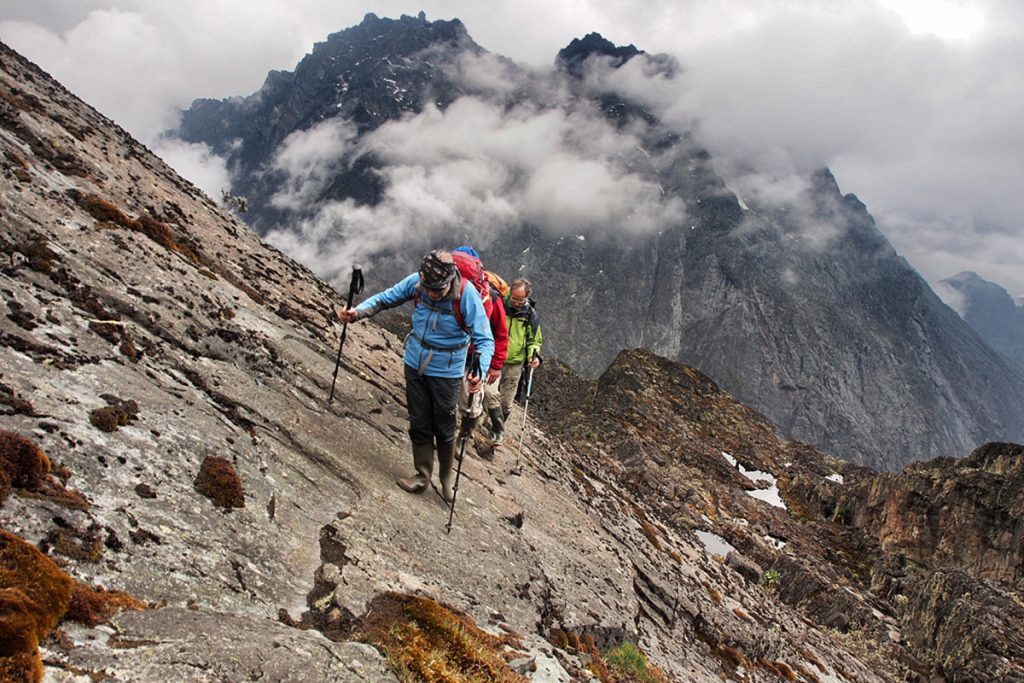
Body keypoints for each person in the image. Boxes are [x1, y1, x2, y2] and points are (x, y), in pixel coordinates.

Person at [336, 250, 494, 502]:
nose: (431, 293)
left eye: (437, 289)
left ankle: (445, 480)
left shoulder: (466, 295)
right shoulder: (417, 282)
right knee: (419, 421)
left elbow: (485, 340)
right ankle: (422, 476)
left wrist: (479, 373)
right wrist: (357, 312)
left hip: (447, 371)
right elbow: (386, 298)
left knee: (444, 425)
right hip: (415, 363)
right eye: (428, 288)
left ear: (449, 279)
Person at [451, 246, 508, 453]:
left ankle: (464, 436)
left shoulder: (490, 297)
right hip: (456, 350)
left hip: (474, 355)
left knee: (471, 398)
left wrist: (494, 365)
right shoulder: (444, 285)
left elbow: (500, 333)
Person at [484, 278, 542, 443]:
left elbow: (535, 340)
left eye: (520, 300)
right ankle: (496, 430)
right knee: (489, 393)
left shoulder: (530, 314)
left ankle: (494, 428)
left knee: (506, 403)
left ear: (526, 297)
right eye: (514, 298)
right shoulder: (500, 304)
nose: (516, 302)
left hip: (515, 364)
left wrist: (534, 355)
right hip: (495, 358)